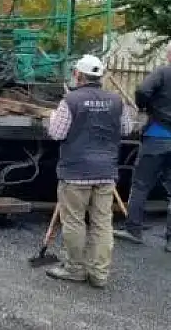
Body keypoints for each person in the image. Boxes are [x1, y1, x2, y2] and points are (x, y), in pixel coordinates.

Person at [46, 54, 136, 288]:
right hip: (106, 171)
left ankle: (75, 269)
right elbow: (126, 129)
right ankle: (99, 273)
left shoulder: (71, 101)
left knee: (74, 221)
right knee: (102, 223)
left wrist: (52, 117)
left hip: (75, 171)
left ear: (78, 75)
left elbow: (57, 133)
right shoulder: (117, 101)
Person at [114, 37, 171, 253]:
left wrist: (146, 107)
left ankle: (133, 229)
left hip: (159, 134)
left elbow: (143, 91)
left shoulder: (163, 72)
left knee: (142, 183)